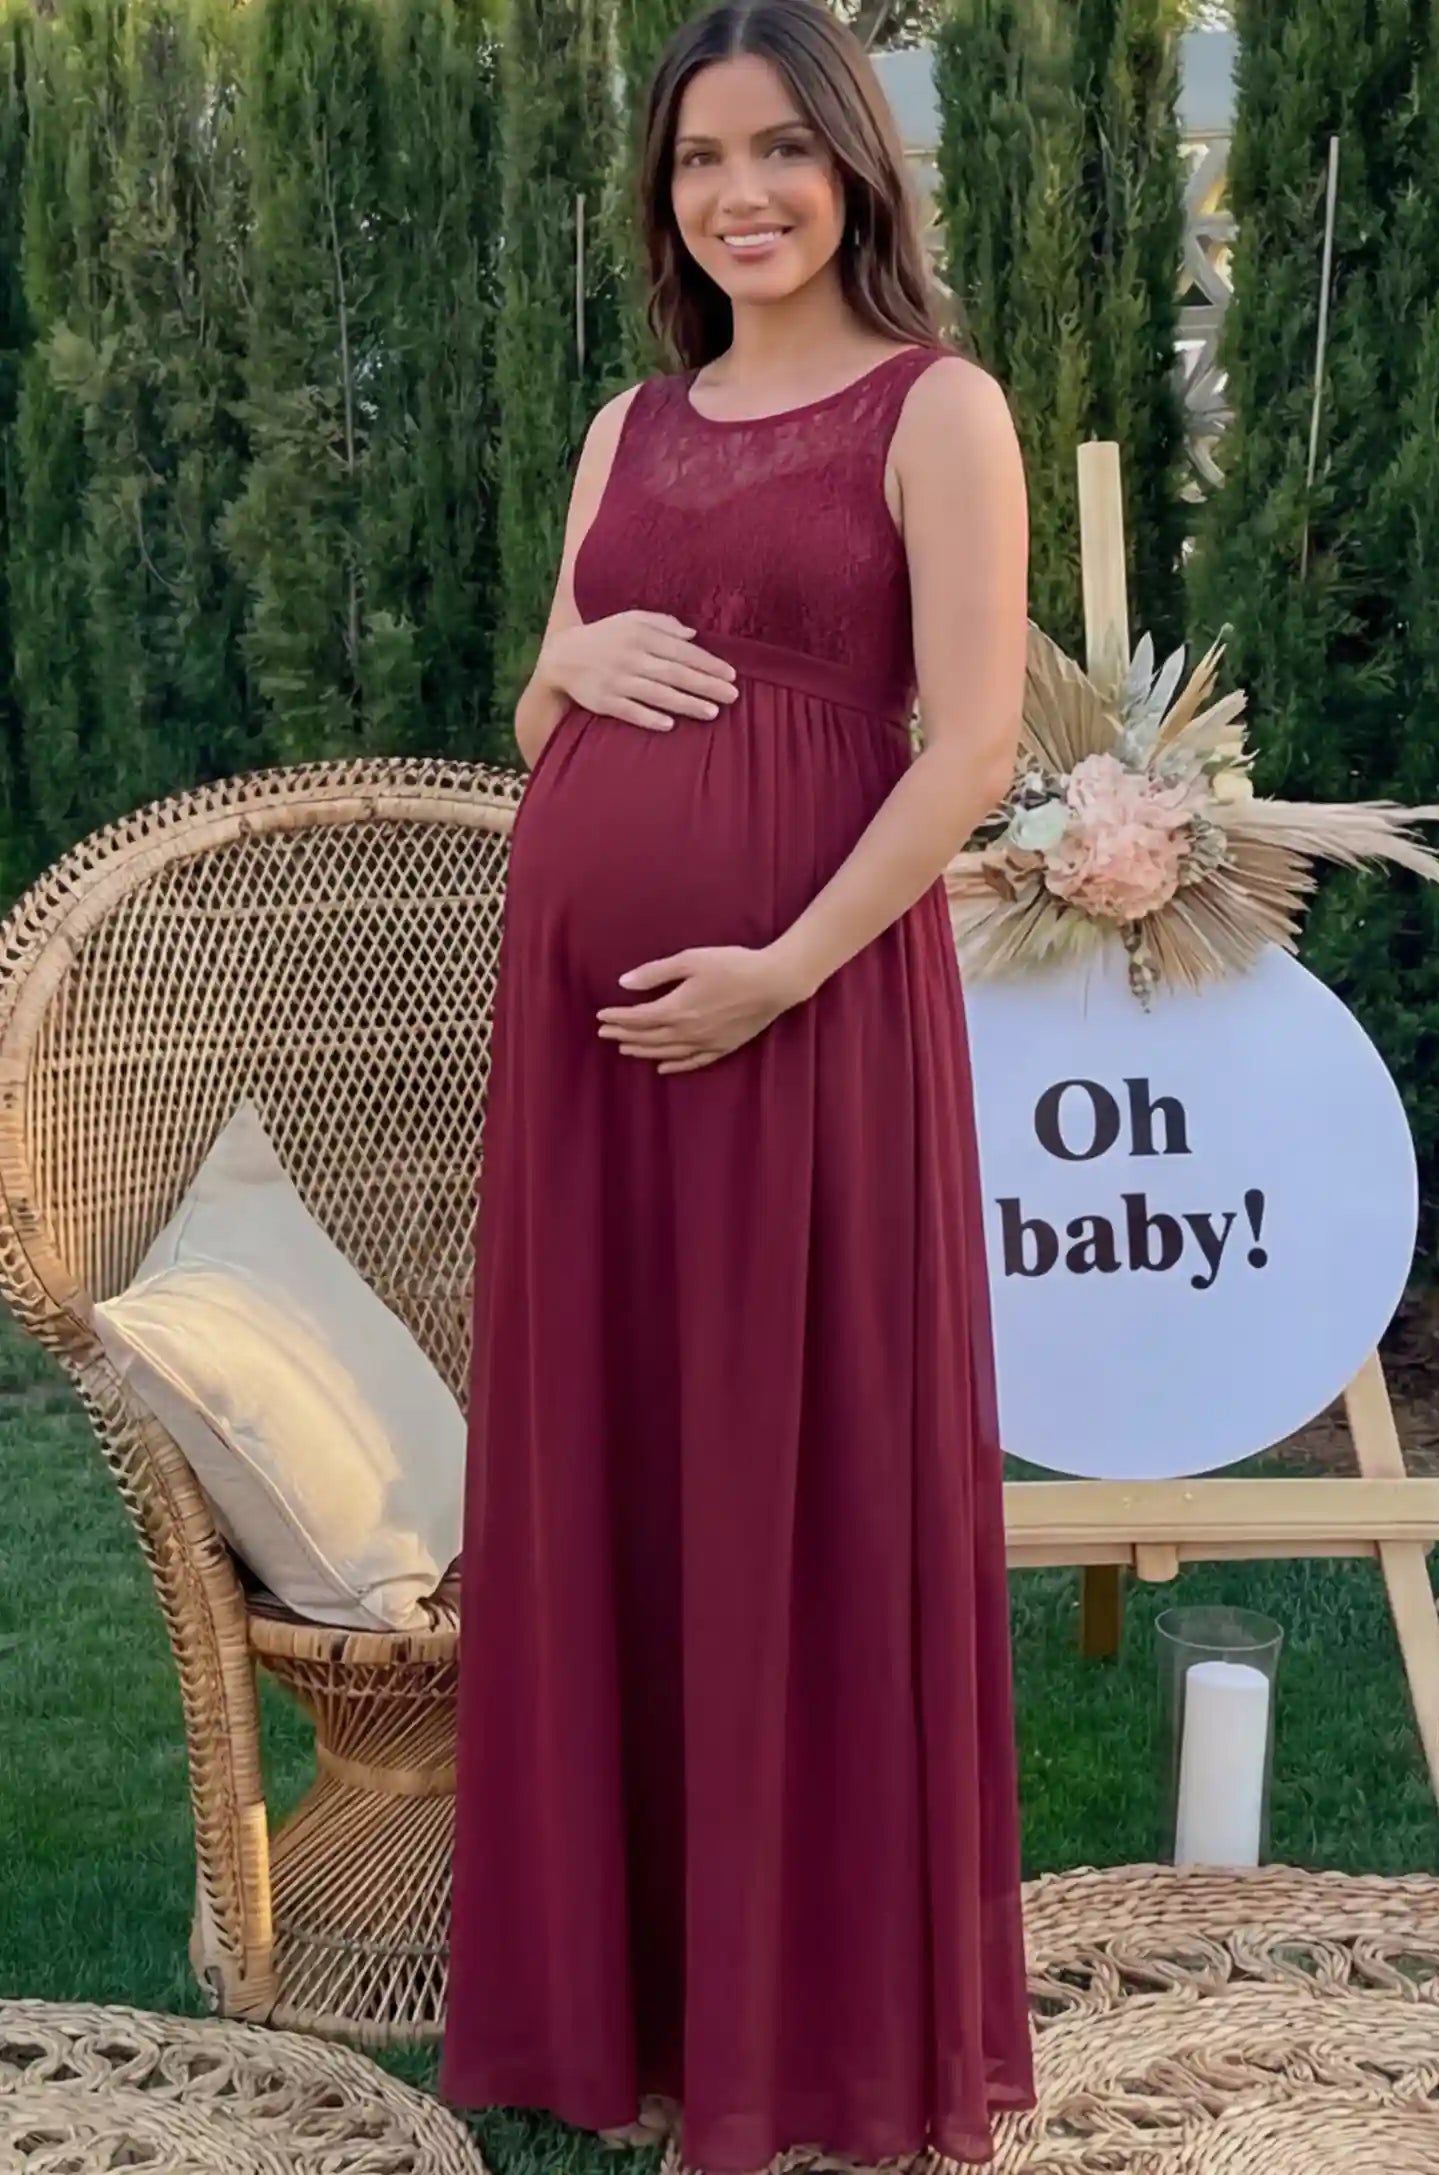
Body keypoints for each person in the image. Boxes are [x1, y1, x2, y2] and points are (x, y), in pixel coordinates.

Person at [441, 0, 1035, 2168]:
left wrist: (781, 967)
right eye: (700, 158)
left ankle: (810, 2031)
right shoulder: (627, 423)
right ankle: (618, 2016)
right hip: (590, 1072)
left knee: (806, 1482)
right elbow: (547, 716)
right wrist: (558, 663)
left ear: (853, 168)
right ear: (663, 193)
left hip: (807, 1028)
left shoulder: (934, 407)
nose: (741, 192)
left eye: (781, 148)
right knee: (615, 1479)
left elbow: (971, 747)